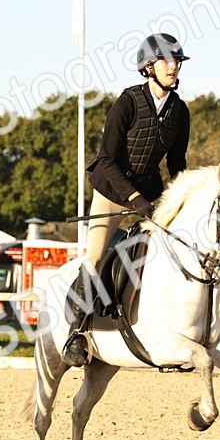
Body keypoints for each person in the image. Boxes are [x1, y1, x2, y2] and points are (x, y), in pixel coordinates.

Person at [62, 32, 192, 367]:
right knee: (94, 259)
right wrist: (134, 198)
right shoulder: (128, 102)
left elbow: (177, 163)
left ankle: (189, 323)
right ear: (148, 66)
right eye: (166, 60)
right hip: (111, 190)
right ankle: (76, 334)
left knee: (182, 244)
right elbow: (106, 159)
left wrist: (180, 199)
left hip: (150, 191)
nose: (173, 66)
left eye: (177, 60)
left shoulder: (180, 111)